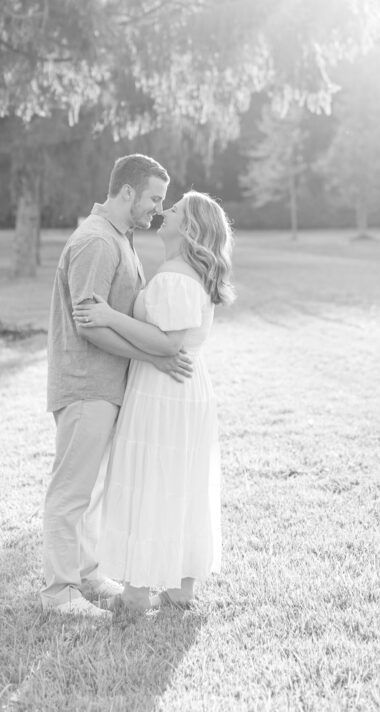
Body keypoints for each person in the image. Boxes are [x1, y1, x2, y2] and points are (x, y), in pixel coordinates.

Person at [41, 153, 194, 618]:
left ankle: (85, 572)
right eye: (152, 197)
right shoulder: (97, 243)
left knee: (89, 490)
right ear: (126, 192)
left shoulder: (118, 238)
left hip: (106, 386)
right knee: (70, 492)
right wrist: (154, 356)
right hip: (87, 384)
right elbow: (90, 323)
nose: (157, 208)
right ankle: (59, 592)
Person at [72, 190, 235, 612]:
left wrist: (110, 316)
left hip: (165, 389)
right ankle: (180, 589)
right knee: (176, 482)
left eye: (175, 209)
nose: (165, 211)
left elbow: (169, 343)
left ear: (191, 227)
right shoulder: (180, 270)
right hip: (181, 388)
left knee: (152, 480)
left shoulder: (178, 275)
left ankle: (137, 595)